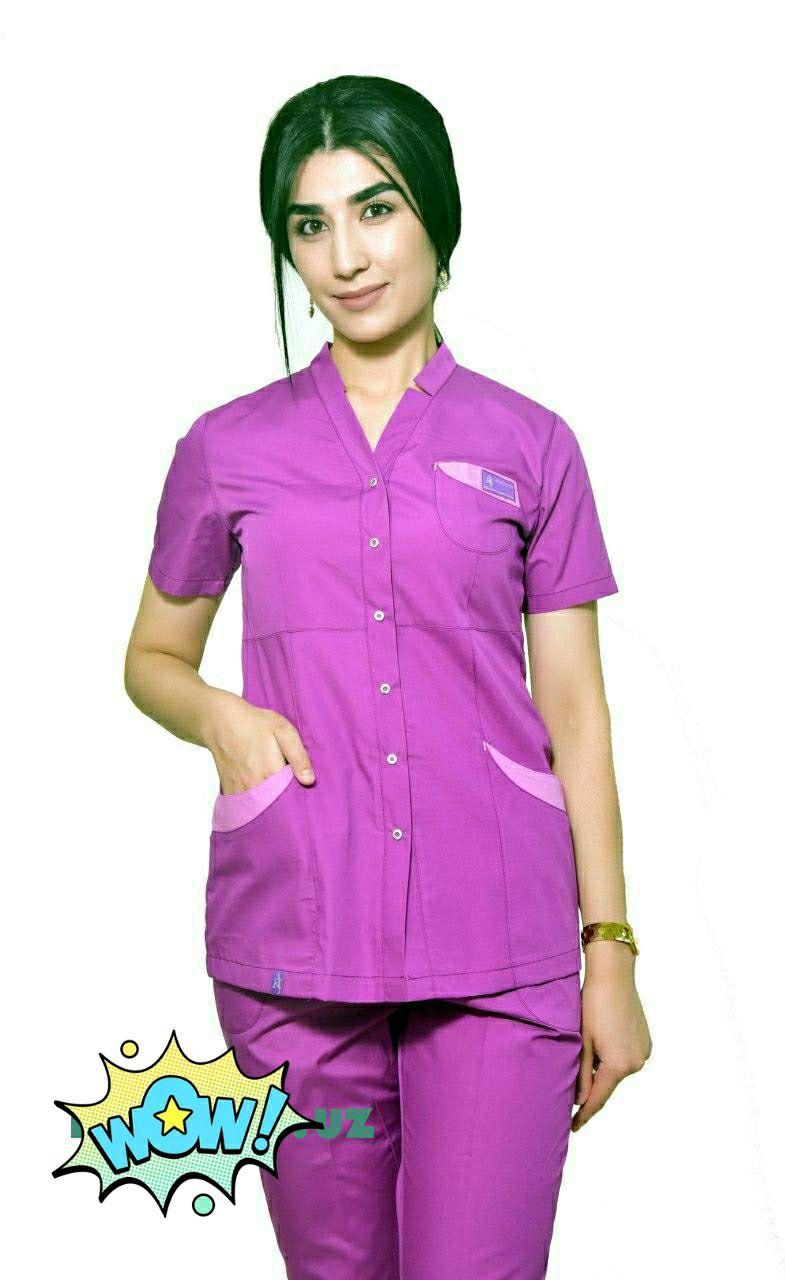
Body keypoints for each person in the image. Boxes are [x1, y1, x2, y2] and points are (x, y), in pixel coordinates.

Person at [125, 74, 652, 1280]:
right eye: (309, 225)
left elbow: (576, 709)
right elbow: (151, 658)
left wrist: (611, 949)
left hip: (501, 943)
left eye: (377, 209)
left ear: (435, 217)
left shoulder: (530, 444)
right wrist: (220, 717)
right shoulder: (226, 447)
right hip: (295, 936)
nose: (346, 255)